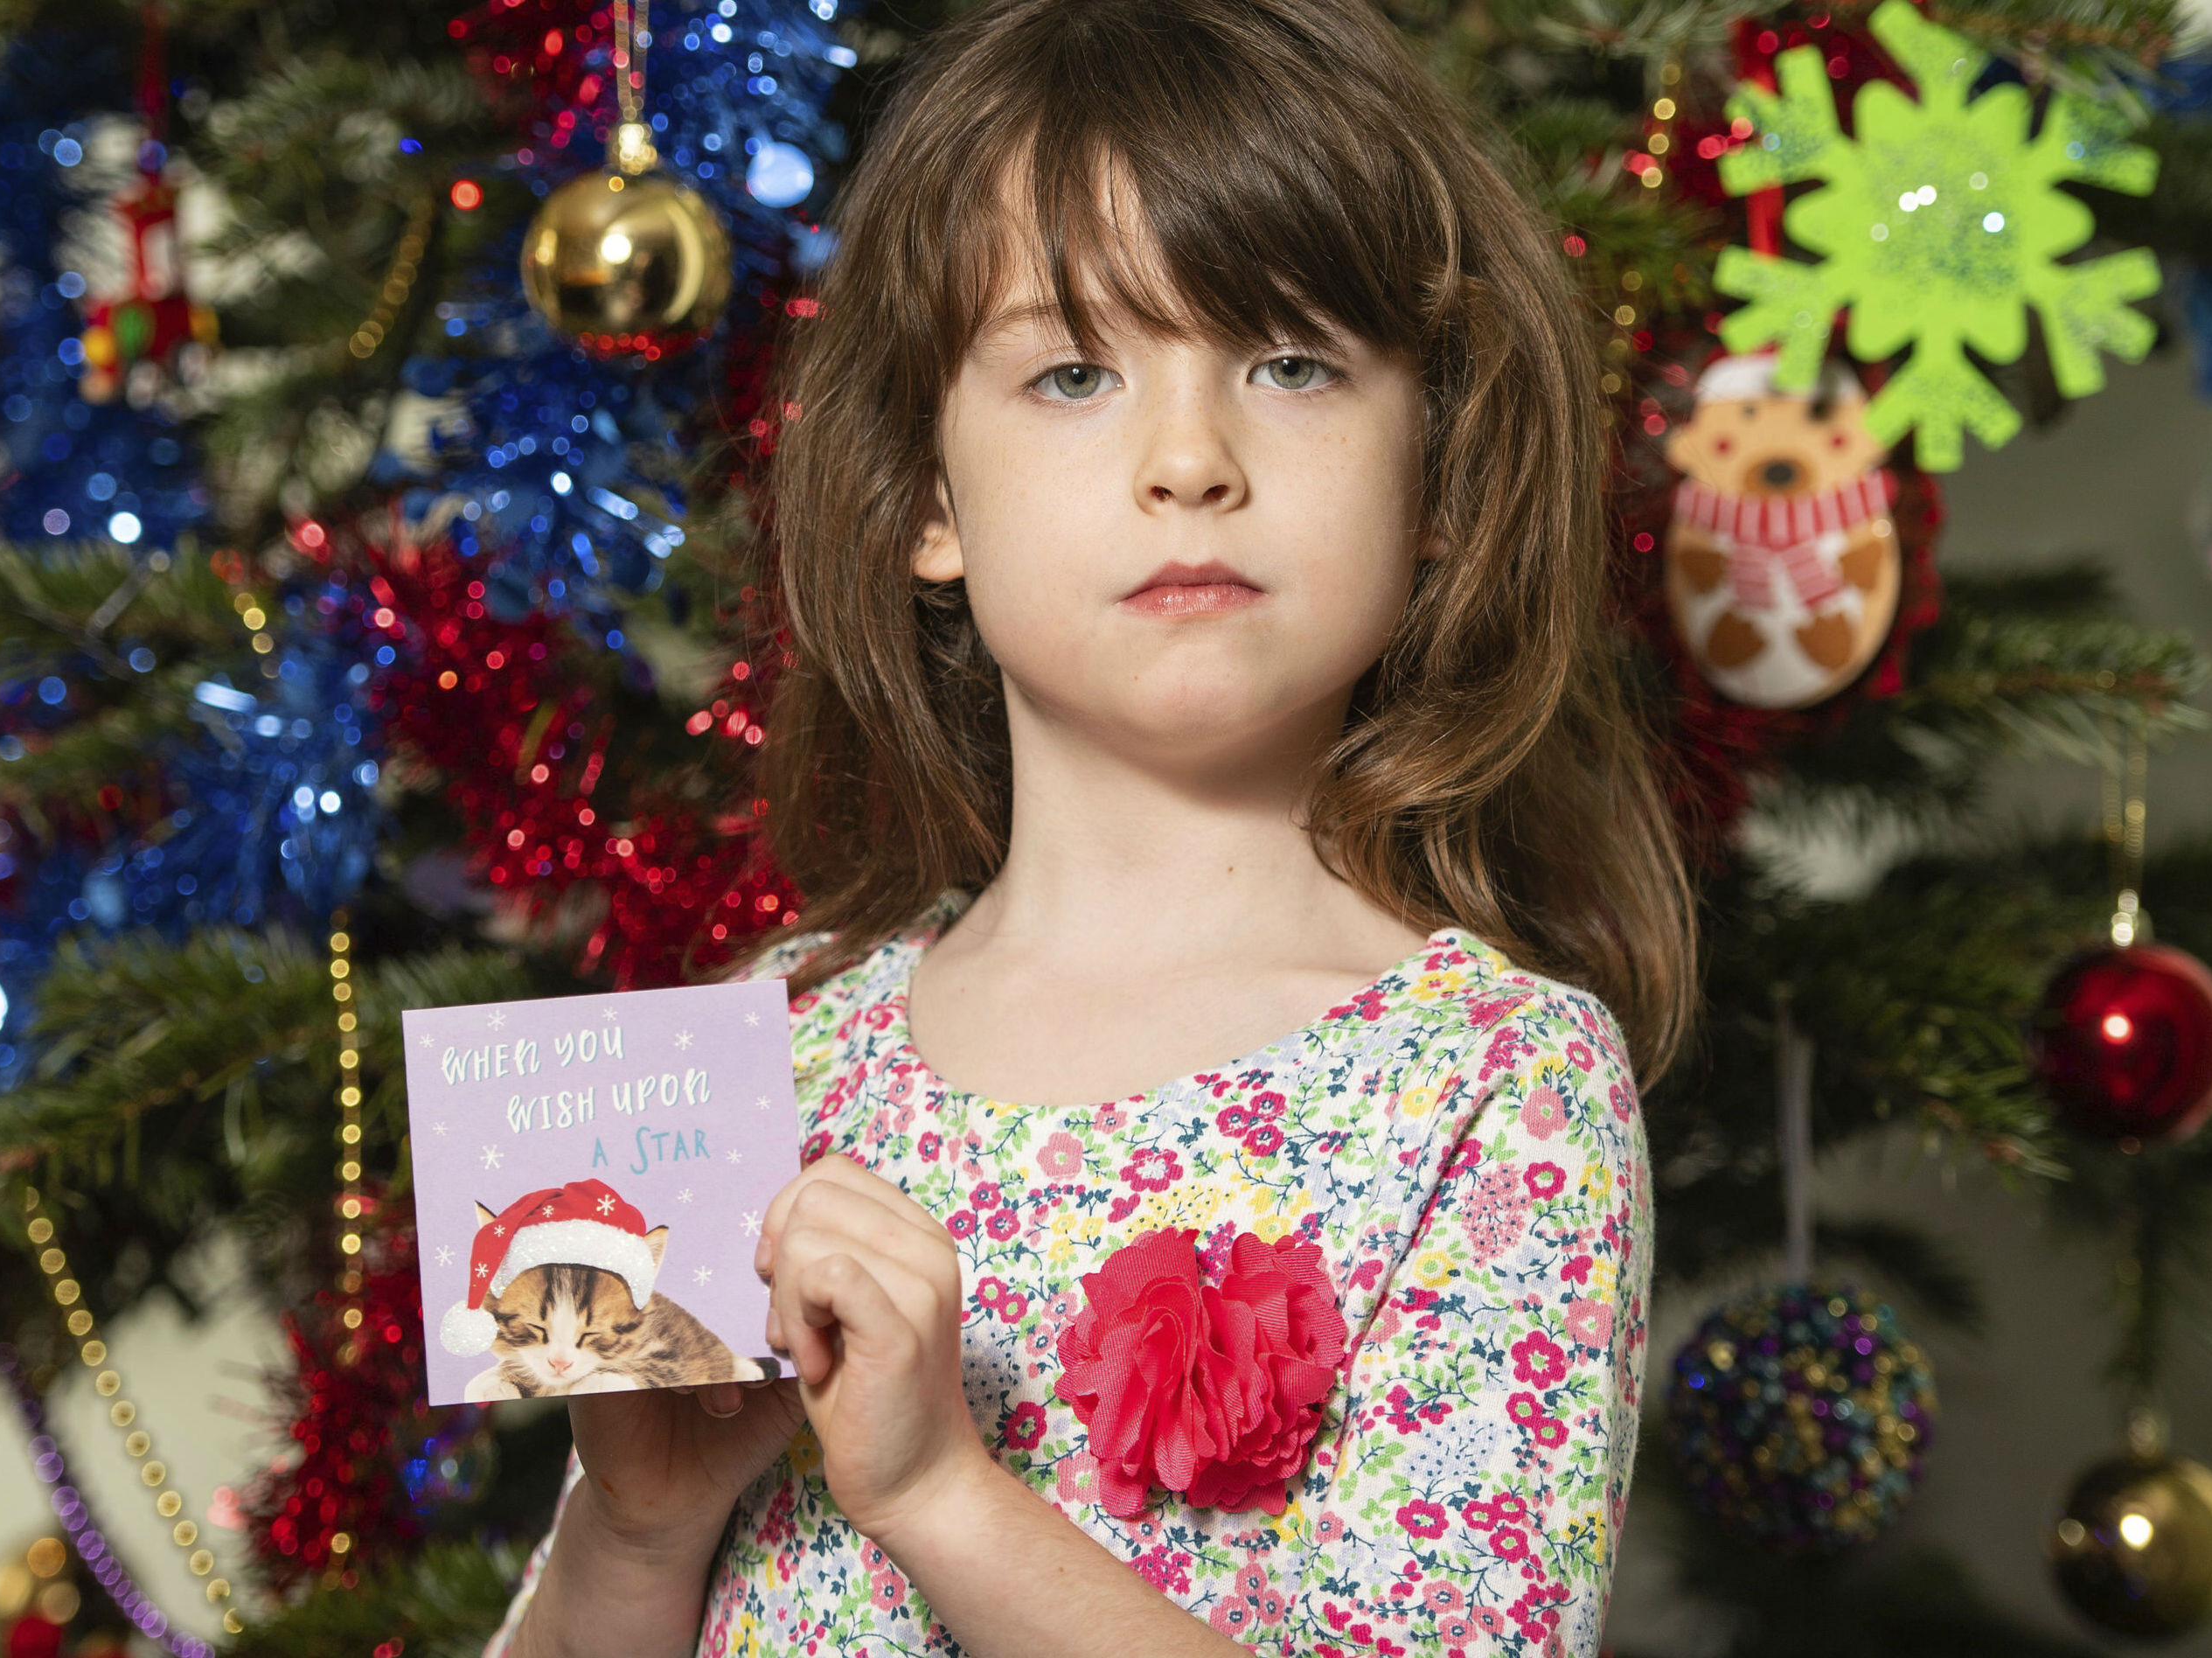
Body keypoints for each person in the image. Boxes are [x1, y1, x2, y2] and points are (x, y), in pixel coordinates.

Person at [485, 0, 1695, 1651]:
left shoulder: (1496, 1089)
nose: (1189, 459)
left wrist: (938, 1497)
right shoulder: (766, 1058)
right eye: (1070, 372)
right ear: (926, 498)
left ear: (1438, 487)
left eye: (1289, 363)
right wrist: (635, 1533)